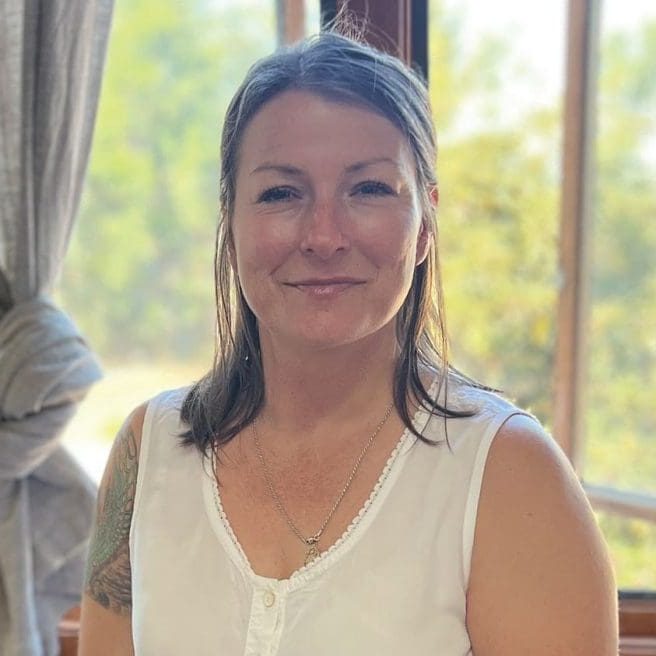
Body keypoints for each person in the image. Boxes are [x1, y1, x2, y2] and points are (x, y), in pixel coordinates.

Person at [78, 31, 618, 655]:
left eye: (369, 189)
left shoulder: (509, 474)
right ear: (230, 225)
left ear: (424, 227)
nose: (324, 236)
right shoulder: (149, 451)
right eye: (282, 193)